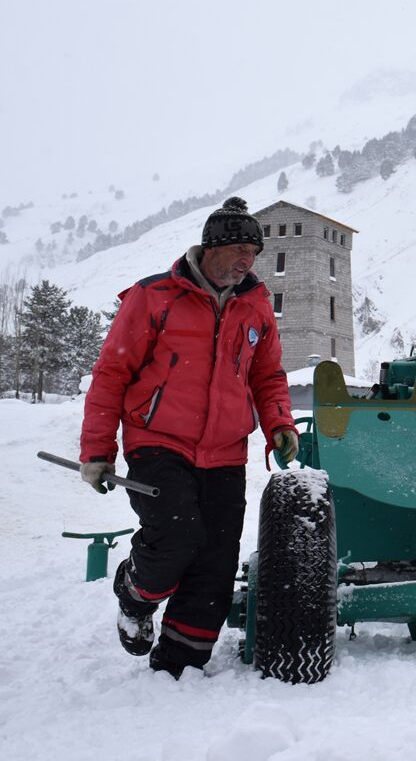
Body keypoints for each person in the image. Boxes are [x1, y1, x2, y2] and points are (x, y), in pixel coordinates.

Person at [78, 197, 299, 678]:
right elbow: (111, 373)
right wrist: (97, 451)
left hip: (225, 452)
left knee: (216, 560)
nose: (247, 261)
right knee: (177, 537)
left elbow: (267, 375)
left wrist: (279, 422)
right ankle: (134, 595)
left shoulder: (256, 306)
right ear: (210, 248)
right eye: (239, 249)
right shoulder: (153, 296)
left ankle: (179, 664)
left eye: (254, 253)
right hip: (158, 442)